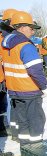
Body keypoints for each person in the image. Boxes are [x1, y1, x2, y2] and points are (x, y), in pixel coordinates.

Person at [1, 11, 47, 146]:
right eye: (31, 28)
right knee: (36, 120)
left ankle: (26, 146)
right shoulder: (26, 46)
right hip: (30, 90)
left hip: (15, 91)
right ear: (21, 27)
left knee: (22, 121)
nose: (33, 32)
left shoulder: (5, 44)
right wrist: (43, 86)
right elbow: (36, 70)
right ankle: (37, 147)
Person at [0, 8, 18, 139]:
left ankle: (3, 127)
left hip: (4, 78)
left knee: (3, 104)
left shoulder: (12, 37)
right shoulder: (2, 37)